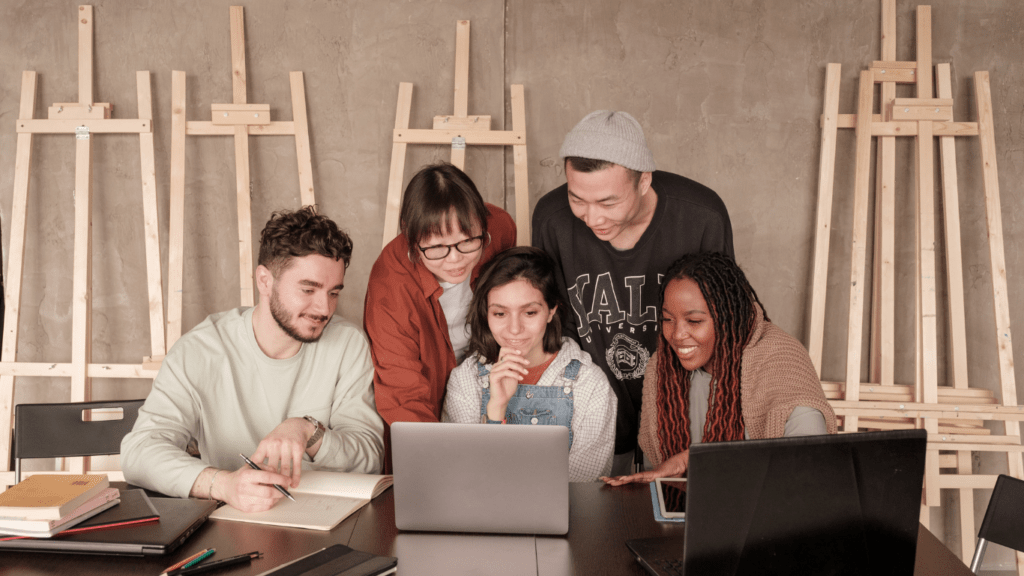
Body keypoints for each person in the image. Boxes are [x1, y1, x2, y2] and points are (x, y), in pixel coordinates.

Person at [122, 207, 384, 511]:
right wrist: (223, 485)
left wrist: (307, 432)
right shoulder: (200, 350)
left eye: (334, 292)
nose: (324, 308)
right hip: (236, 522)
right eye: (308, 289)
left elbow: (369, 458)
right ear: (265, 281)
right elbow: (139, 452)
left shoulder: (349, 345)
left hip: (331, 519)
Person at [533, 110, 734, 474]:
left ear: (643, 182)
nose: (592, 218)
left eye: (608, 203)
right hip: (595, 412)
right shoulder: (551, 219)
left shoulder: (702, 217)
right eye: (578, 199)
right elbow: (554, 326)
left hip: (684, 411)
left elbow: (725, 325)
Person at [602, 252, 837, 485]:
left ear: (729, 317)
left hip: (768, 516)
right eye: (667, 319)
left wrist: (694, 461)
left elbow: (809, 465)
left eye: (694, 321)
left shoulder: (780, 359)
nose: (677, 335)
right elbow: (658, 469)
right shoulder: (662, 366)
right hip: (685, 514)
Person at [364, 163, 516, 470]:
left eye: (468, 241)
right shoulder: (389, 287)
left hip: (485, 372)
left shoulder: (499, 228)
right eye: (436, 248)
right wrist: (438, 468)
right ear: (410, 236)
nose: (456, 259)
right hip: (425, 383)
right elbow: (404, 394)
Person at [443, 247, 616, 481]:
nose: (514, 329)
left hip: (565, 515)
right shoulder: (465, 380)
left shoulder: (590, 383)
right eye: (500, 314)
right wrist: (496, 408)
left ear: (551, 310)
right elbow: (463, 478)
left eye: (530, 312)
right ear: (485, 313)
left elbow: (581, 485)